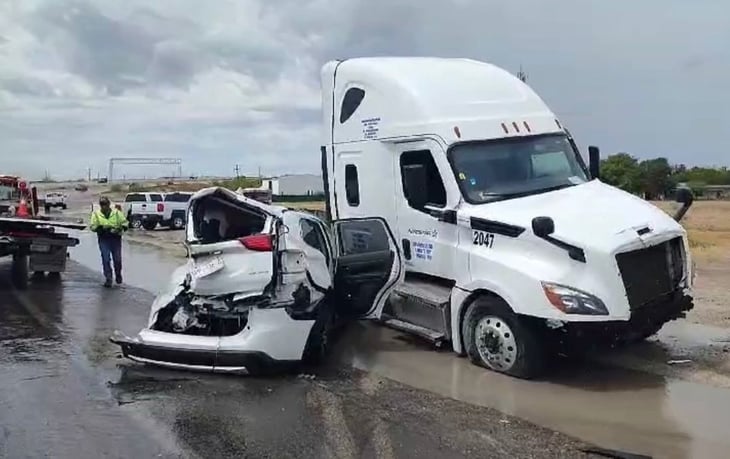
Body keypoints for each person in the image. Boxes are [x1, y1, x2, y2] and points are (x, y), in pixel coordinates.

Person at [89, 196, 128, 287]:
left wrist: (119, 229)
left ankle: (118, 274)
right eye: (102, 204)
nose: (104, 206)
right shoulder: (96, 214)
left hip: (115, 239)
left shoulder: (117, 213)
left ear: (109, 204)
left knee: (117, 260)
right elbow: (92, 226)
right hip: (104, 239)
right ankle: (108, 278)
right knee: (106, 259)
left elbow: (125, 223)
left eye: (105, 204)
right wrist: (100, 228)